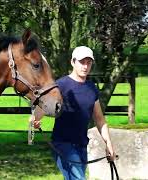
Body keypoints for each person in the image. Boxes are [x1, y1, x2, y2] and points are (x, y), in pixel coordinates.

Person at [32, 46, 116, 180]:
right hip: (63, 144)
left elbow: (100, 120)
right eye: (82, 62)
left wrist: (109, 144)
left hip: (82, 144)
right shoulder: (61, 85)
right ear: (73, 62)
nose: (85, 66)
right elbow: (43, 106)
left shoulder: (91, 88)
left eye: (89, 62)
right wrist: (36, 119)